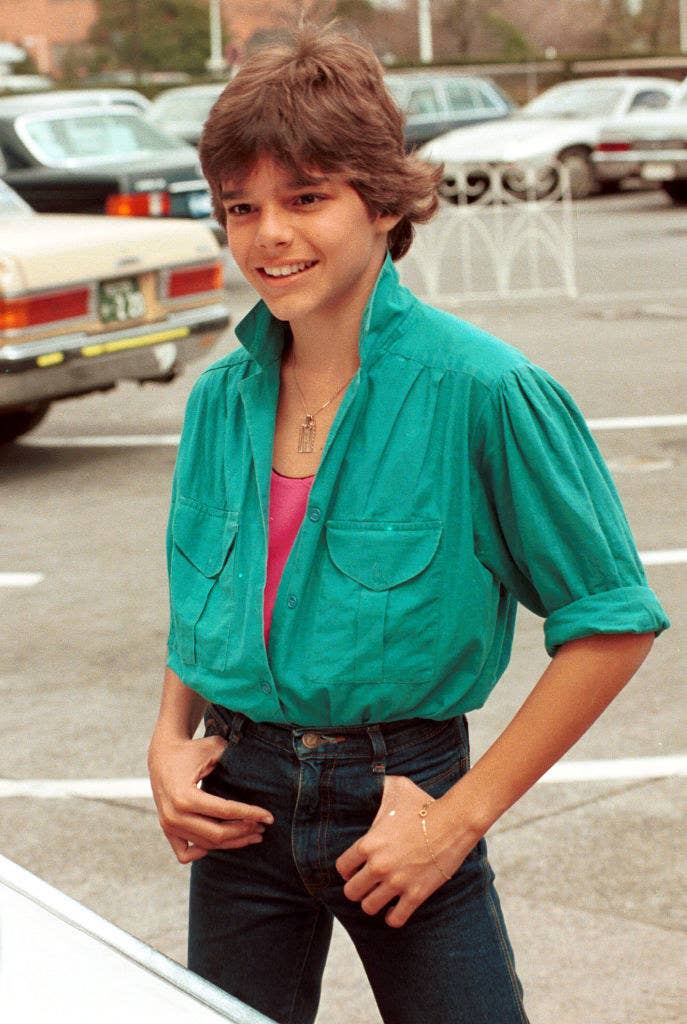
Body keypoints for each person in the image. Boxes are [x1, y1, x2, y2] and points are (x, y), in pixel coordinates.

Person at [147, 22, 669, 1024]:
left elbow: (613, 620)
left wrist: (458, 819)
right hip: (236, 806)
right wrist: (168, 741)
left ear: (384, 201)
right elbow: (204, 593)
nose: (269, 236)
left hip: (405, 797)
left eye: (307, 198)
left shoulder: (489, 391)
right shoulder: (220, 401)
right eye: (241, 208)